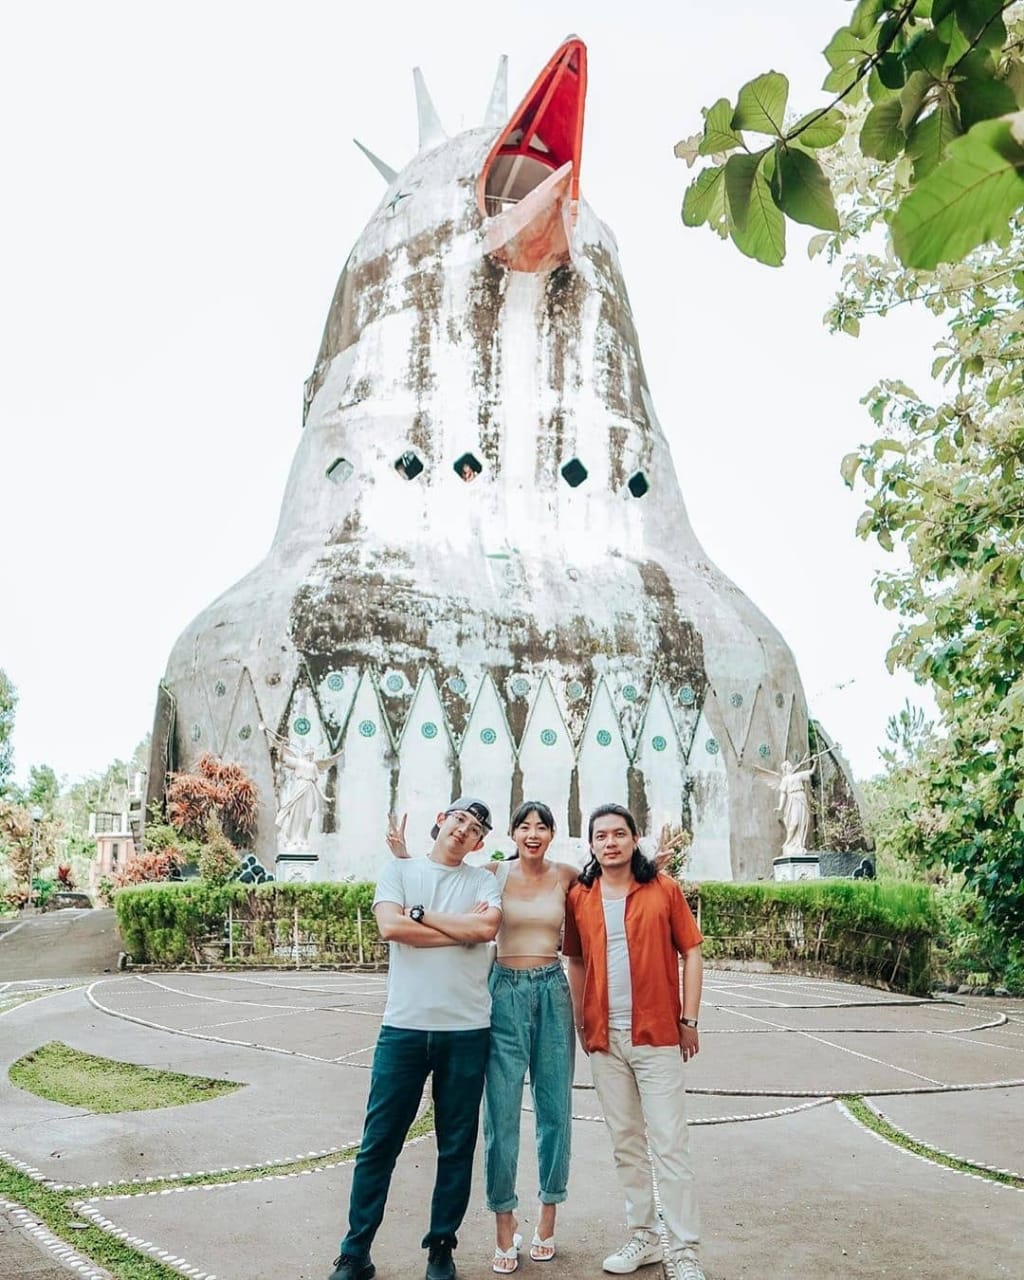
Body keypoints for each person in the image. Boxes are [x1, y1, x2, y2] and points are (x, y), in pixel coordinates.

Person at [388, 801, 576, 1274]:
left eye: (542, 826)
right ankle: (504, 1225)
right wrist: (405, 858)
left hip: (552, 990)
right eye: (524, 826)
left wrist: (654, 867)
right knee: (500, 1115)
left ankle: (548, 1217)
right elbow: (444, 871)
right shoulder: (493, 873)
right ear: (510, 834)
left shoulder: (567, 875)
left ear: (552, 834)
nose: (533, 834)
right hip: (505, 990)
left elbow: (615, 881)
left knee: (555, 1110)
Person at [328, 798, 503, 1280]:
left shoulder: (482, 881)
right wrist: (460, 931)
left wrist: (420, 917)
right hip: (403, 1029)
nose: (464, 830)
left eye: (475, 828)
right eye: (459, 819)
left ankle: (441, 1247)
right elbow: (391, 926)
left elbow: (487, 927)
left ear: (479, 843)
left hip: (466, 1030)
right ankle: (355, 1251)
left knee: (456, 1146)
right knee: (379, 1143)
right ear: (441, 821)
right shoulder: (399, 871)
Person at [563, 804, 706, 1280]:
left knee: (670, 1145)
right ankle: (644, 1236)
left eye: (619, 834)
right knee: (625, 1143)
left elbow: (692, 951)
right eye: (601, 836)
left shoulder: (663, 888)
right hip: (606, 1040)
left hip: (656, 1035)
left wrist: (689, 1019)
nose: (610, 842)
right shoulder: (581, 895)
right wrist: (582, 1022)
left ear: (634, 838)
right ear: (591, 844)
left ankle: (684, 1250)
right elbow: (575, 960)